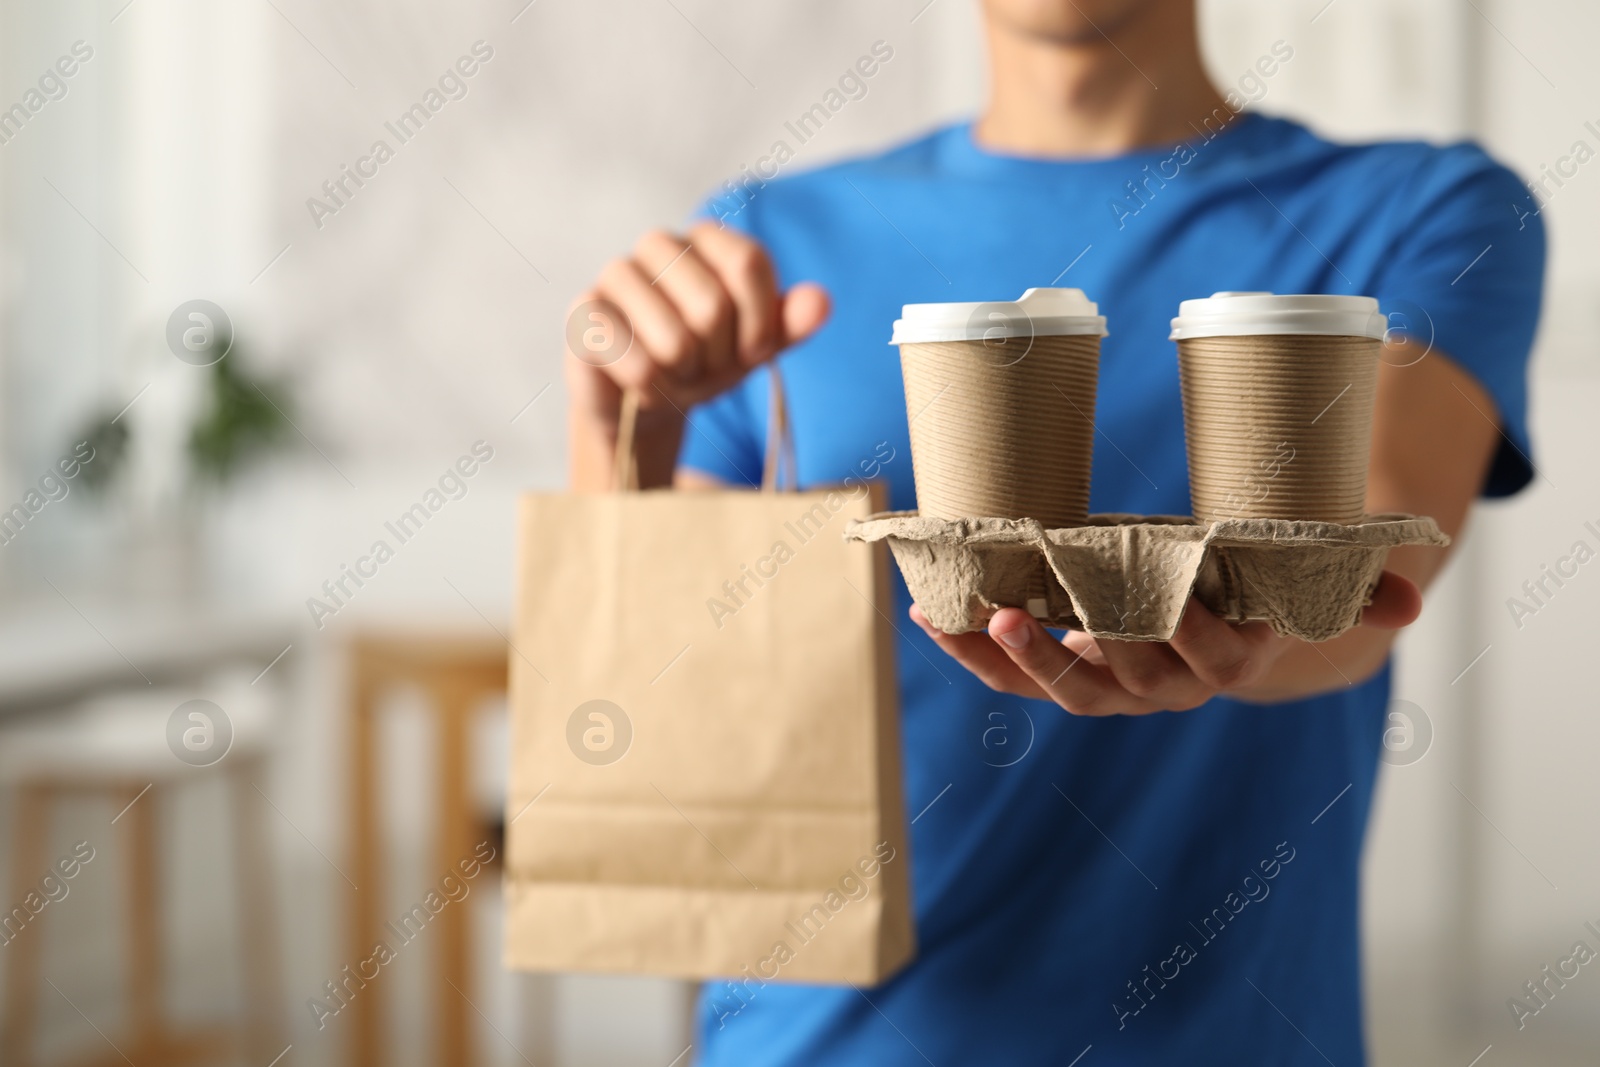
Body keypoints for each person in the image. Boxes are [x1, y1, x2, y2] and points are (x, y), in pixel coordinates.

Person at [563, 0, 1544, 1062]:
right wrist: (619, 428)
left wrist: (1266, 624)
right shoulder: (766, 247)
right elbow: (645, 709)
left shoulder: (1424, 211)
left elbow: (1360, 577)